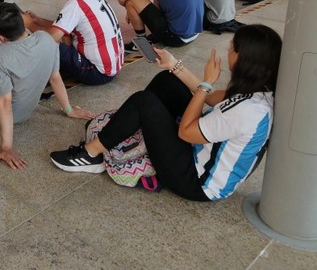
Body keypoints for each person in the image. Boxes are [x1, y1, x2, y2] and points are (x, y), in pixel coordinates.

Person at [50, 24, 282, 202]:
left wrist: (206, 83)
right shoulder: (258, 91)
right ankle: (125, 133)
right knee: (167, 80)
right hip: (197, 152)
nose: (228, 49)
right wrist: (174, 64)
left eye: (233, 48)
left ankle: (91, 154)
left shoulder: (247, 111)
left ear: (245, 60)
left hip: (195, 181)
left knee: (144, 103)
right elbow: (211, 98)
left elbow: (186, 132)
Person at [0, 2, 94, 169]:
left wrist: (6, 147)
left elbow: (4, 102)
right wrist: (69, 110)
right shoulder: (47, 39)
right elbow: (55, 78)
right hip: (24, 114)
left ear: (0, 36)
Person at [23, 0, 124, 86]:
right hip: (112, 65)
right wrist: (37, 20)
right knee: (62, 35)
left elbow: (49, 38)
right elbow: (61, 25)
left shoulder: (75, 4)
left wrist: (28, 25)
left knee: (46, 44)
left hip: (98, 72)